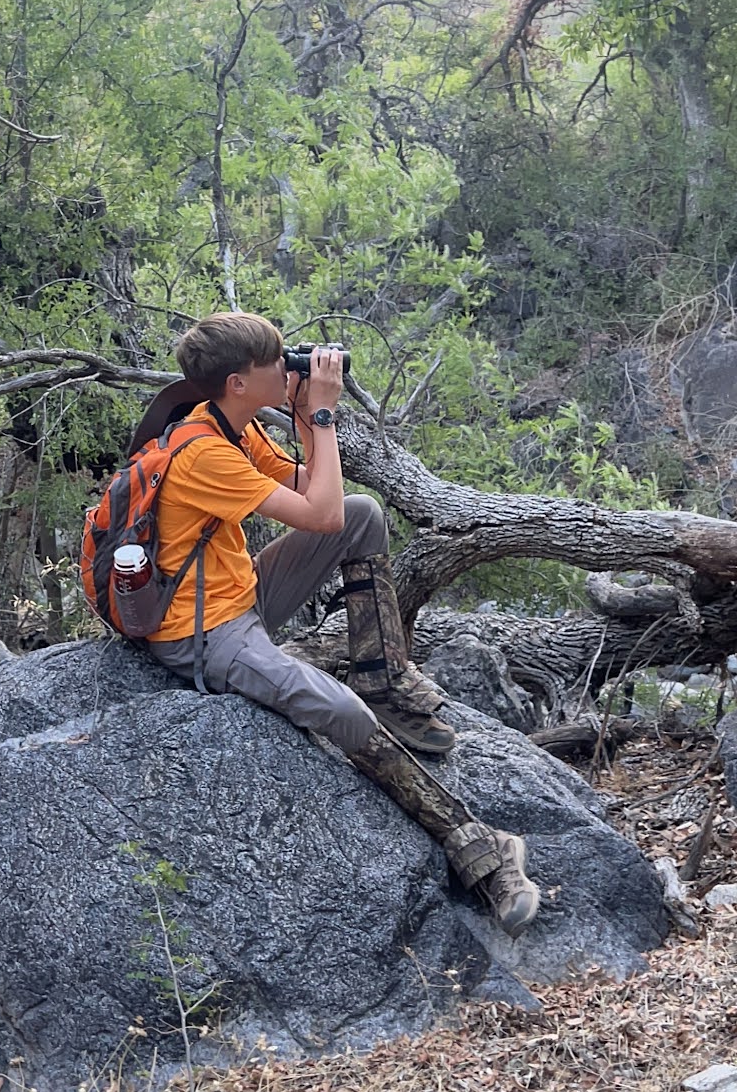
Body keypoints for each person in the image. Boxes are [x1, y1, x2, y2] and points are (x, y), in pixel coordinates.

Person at [116, 313, 550, 926]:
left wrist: (307, 421)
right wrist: (320, 412)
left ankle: (384, 681)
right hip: (204, 631)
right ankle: (482, 848)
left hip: (237, 592)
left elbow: (317, 492)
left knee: (363, 514)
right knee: (341, 713)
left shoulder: (231, 427)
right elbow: (316, 516)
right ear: (238, 383)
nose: (289, 366)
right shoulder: (202, 453)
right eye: (276, 362)